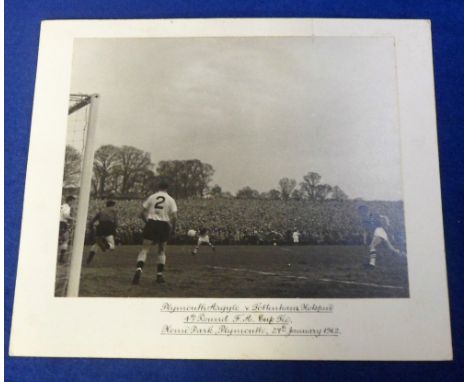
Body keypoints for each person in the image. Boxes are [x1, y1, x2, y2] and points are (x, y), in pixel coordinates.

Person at [132, 181, 177, 284]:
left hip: (151, 223)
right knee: (161, 251)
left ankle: (139, 269)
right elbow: (175, 217)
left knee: (144, 249)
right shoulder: (171, 199)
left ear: (158, 187)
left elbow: (140, 213)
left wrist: (147, 222)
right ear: (167, 188)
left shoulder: (152, 197)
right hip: (164, 224)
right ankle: (159, 276)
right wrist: (173, 229)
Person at [86, 200, 118, 265]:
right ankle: (106, 244)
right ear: (112, 205)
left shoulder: (101, 211)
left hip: (100, 226)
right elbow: (116, 222)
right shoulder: (113, 211)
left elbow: (93, 220)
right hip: (109, 226)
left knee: (96, 244)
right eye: (114, 206)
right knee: (112, 247)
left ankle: (88, 260)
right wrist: (114, 229)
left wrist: (90, 226)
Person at [58, 195, 75, 264]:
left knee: (62, 240)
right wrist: (74, 219)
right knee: (65, 240)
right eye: (73, 201)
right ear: (70, 201)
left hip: (60, 223)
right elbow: (65, 215)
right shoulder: (67, 207)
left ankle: (61, 258)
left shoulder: (62, 206)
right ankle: (61, 259)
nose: (73, 203)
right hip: (62, 223)